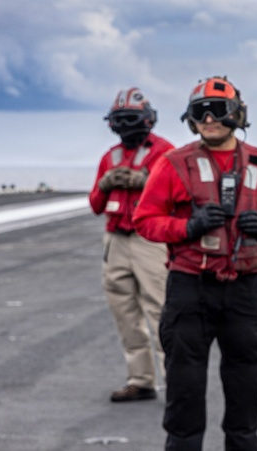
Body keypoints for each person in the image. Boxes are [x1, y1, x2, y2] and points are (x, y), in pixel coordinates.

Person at [134, 76, 257, 451]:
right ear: (190, 119)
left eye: (218, 111)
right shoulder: (173, 164)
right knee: (184, 390)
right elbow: (145, 219)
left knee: (245, 390)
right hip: (190, 289)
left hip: (244, 291)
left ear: (237, 115)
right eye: (199, 112)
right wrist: (186, 227)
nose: (209, 119)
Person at [89, 87, 174, 402]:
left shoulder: (165, 152)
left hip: (150, 240)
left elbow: (180, 195)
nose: (126, 125)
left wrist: (147, 180)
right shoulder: (109, 158)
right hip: (116, 241)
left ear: (148, 120)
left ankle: (175, 381)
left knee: (160, 310)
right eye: (120, 119)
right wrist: (104, 184)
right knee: (124, 311)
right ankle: (141, 379)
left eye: (131, 118)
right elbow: (96, 204)